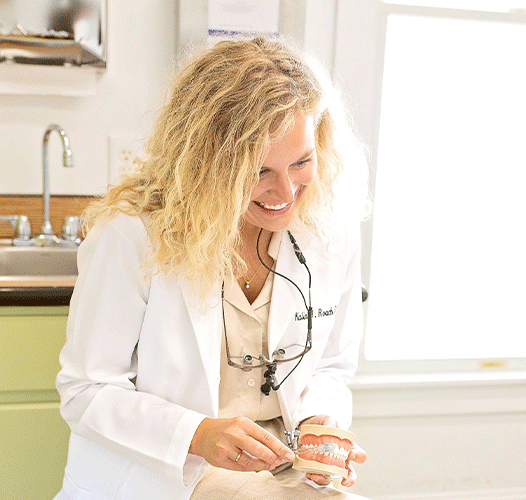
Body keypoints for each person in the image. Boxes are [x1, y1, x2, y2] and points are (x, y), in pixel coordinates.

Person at [53, 36, 370, 500]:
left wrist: (319, 425)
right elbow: (86, 391)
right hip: (165, 472)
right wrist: (198, 434)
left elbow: (331, 366)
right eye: (259, 171)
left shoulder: (328, 232)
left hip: (281, 465)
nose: (286, 190)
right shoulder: (134, 235)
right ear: (209, 162)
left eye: (301, 162)